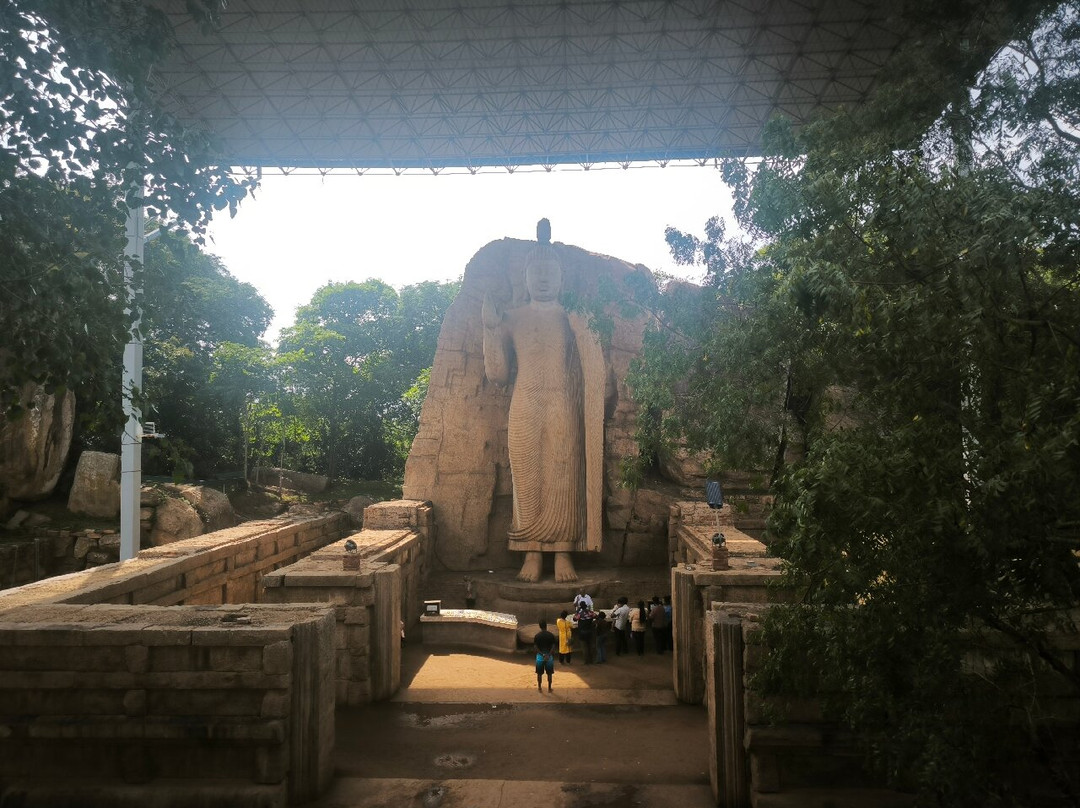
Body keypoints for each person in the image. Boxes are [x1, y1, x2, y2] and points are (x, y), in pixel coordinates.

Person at [483, 221, 586, 584]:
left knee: (563, 473)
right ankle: (530, 551)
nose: (543, 279)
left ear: (561, 278)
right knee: (526, 476)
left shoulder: (571, 317)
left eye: (550, 272)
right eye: (536, 272)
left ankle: (561, 552)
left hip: (562, 402)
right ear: (524, 277)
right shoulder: (512, 317)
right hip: (525, 401)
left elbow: (589, 365)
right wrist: (491, 330)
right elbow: (497, 373)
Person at [533, 619, 556, 693]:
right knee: (549, 673)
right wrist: (548, 654)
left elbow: (536, 647)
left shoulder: (537, 636)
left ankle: (539, 688)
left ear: (540, 626)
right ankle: (549, 688)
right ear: (546, 626)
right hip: (549, 657)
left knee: (539, 673)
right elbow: (553, 646)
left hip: (540, 656)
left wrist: (542, 654)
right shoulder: (551, 635)